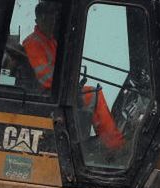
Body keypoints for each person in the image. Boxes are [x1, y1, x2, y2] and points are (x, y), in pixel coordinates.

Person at [23, 1, 124, 152]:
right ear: (39, 20)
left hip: (56, 91)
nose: (52, 22)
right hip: (46, 94)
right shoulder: (33, 43)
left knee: (91, 92)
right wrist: (69, 83)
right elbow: (46, 79)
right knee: (93, 96)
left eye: (53, 18)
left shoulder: (50, 41)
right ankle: (115, 147)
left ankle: (108, 142)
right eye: (48, 18)